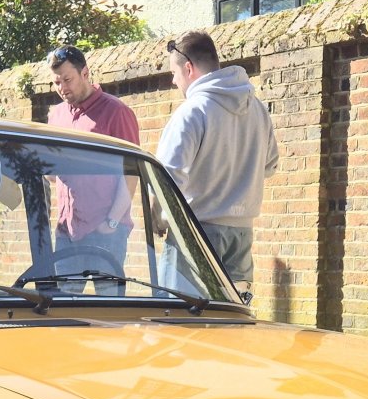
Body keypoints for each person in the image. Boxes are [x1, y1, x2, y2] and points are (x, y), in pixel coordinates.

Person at [156, 31, 278, 292]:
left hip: (196, 234)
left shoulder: (192, 111)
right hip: (241, 236)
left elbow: (167, 176)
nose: (173, 80)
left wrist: (160, 218)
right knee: (231, 323)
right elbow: (270, 166)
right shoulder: (257, 109)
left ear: (188, 68)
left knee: (179, 323)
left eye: (174, 73)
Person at [45, 45, 140, 286]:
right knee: (64, 310)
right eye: (57, 83)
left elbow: (131, 173)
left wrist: (112, 222)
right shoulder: (55, 116)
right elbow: (54, 176)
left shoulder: (116, 112)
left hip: (106, 232)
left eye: (68, 80)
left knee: (108, 314)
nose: (62, 88)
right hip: (67, 231)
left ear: (85, 73)